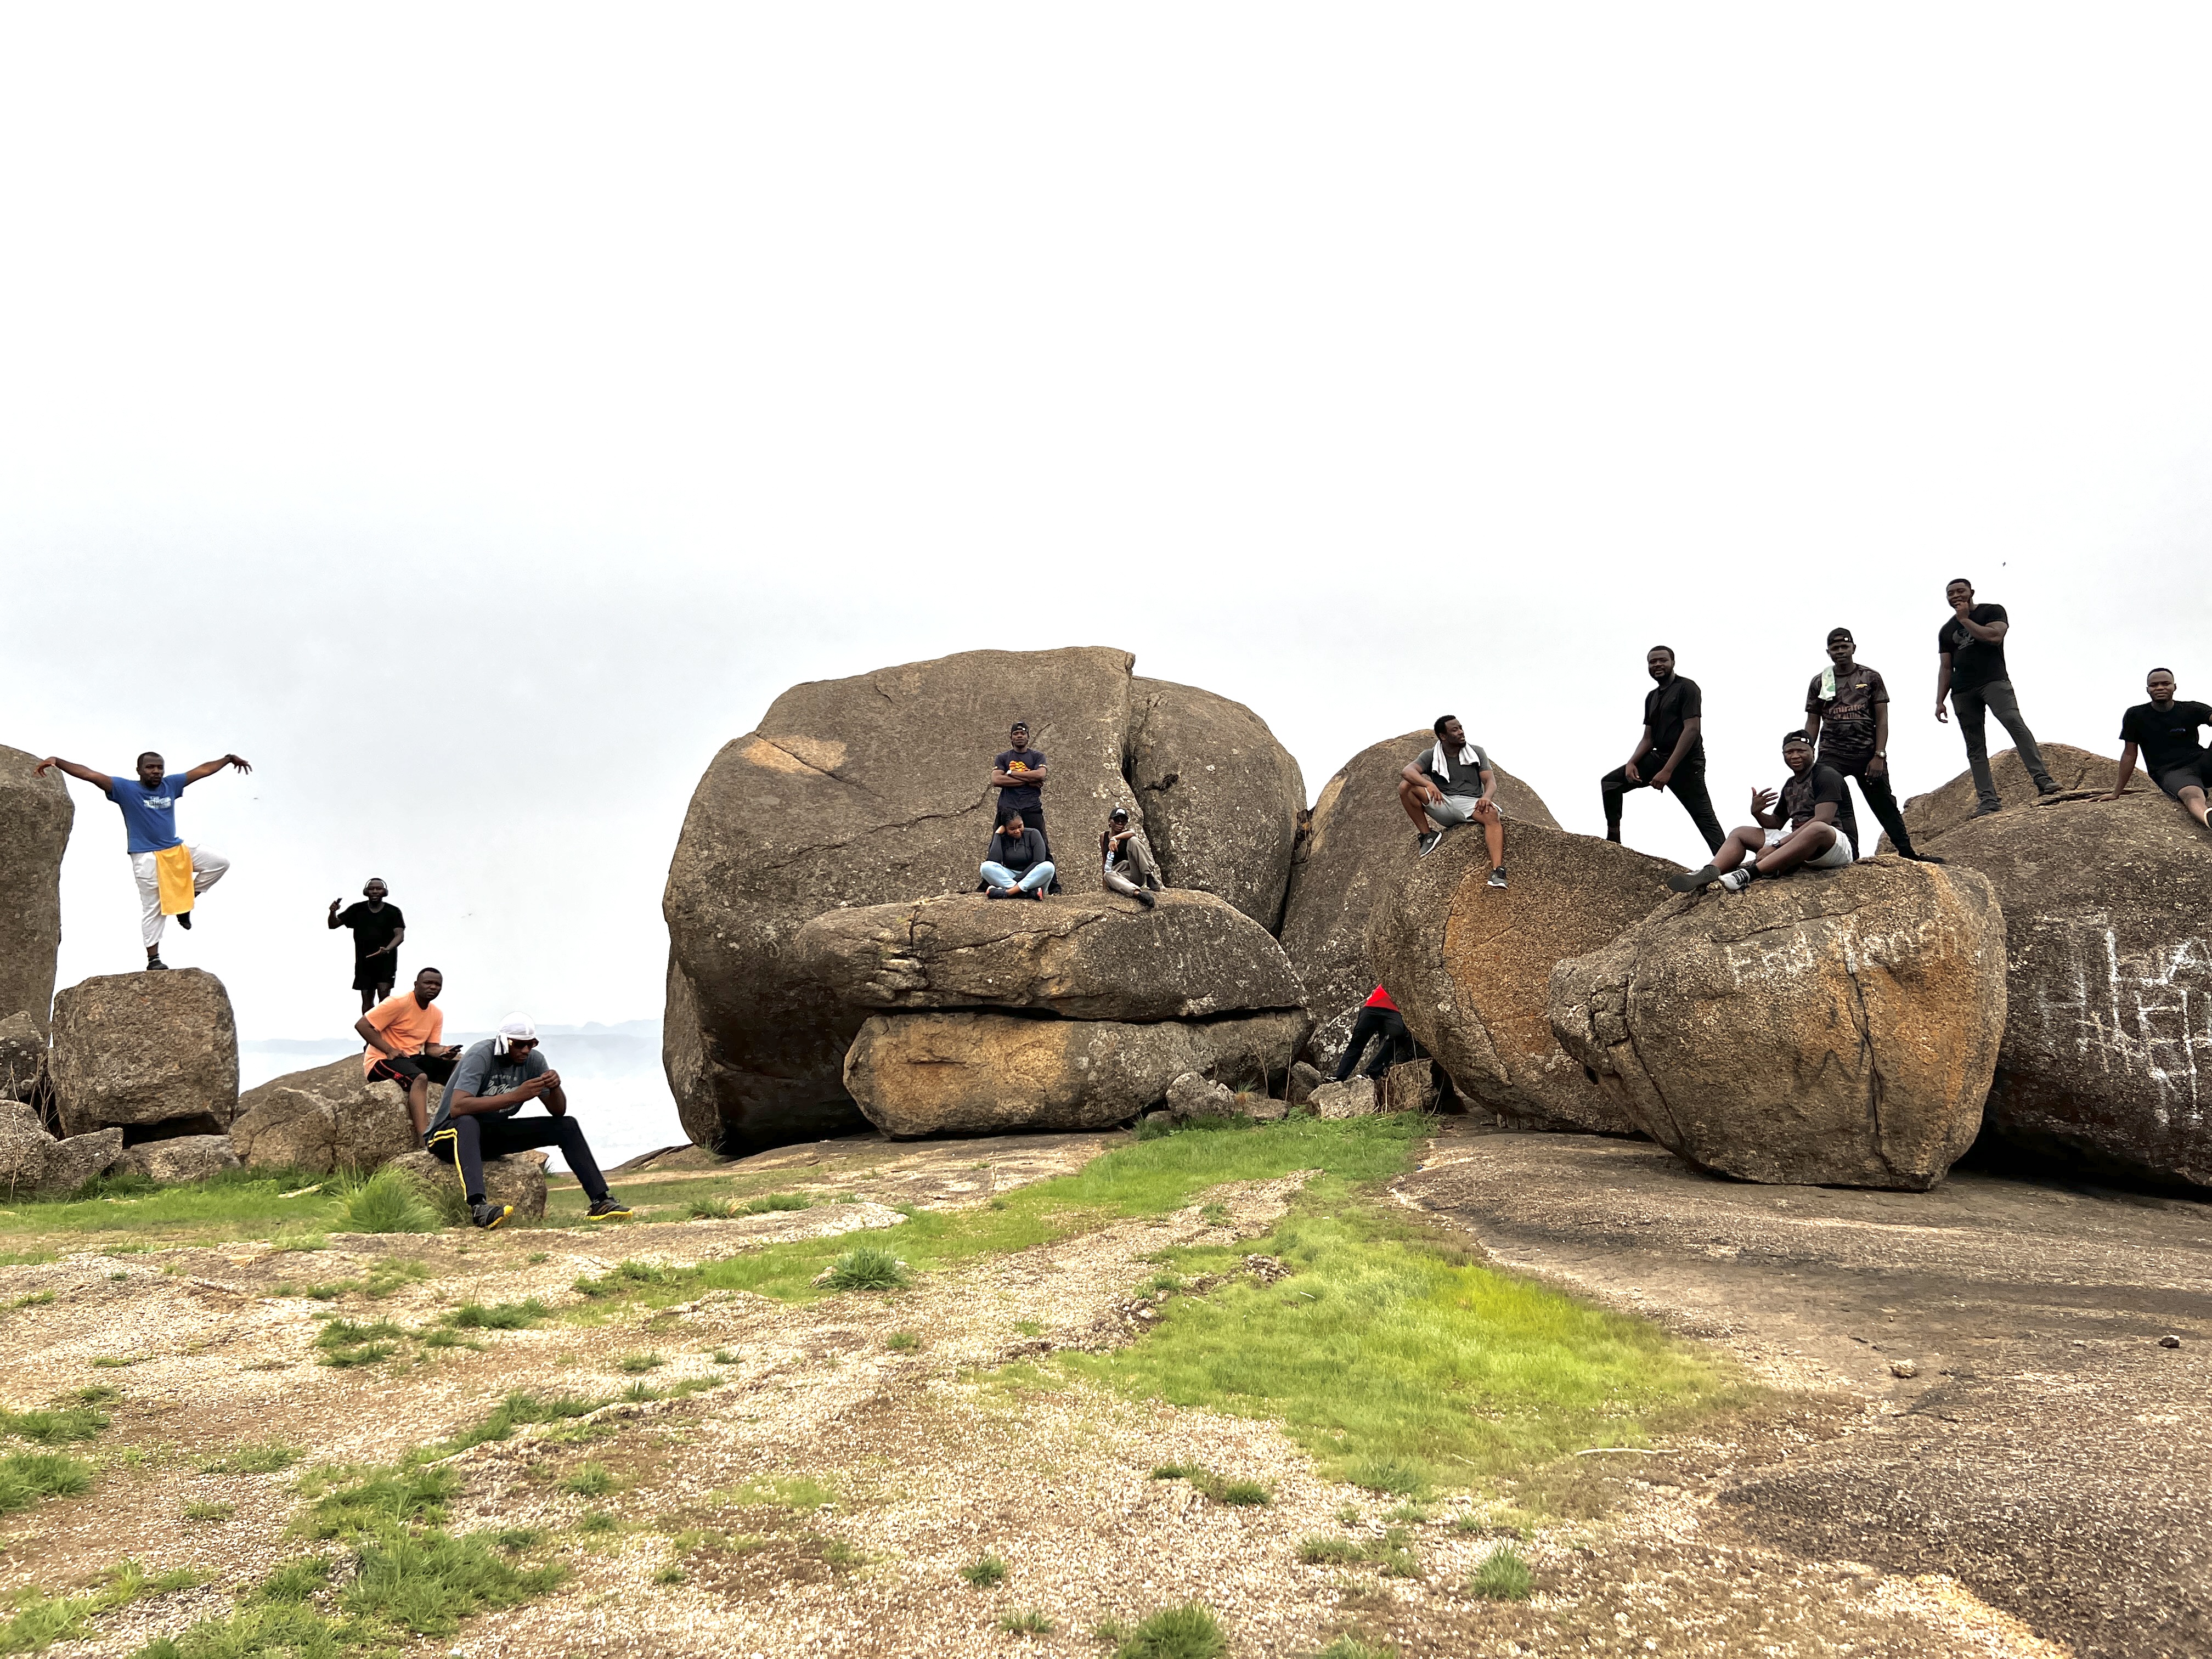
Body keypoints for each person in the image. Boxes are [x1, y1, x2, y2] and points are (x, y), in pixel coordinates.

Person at [33, 749, 252, 970]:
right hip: (147, 856)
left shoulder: (171, 784)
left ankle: (186, 902)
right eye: (150, 767)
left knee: (219, 863)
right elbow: (90, 775)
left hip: (175, 848)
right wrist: (58, 761)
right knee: (154, 908)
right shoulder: (125, 789)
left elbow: (203, 770)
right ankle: (153, 959)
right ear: (139, 770)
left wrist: (228, 759)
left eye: (160, 767)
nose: (156, 772)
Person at [424, 1014, 630, 1228]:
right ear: (504, 1042)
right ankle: (479, 1208)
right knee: (468, 1122)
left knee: (567, 1126)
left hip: (488, 1136)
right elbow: (458, 1107)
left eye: (531, 1044)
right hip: (449, 1137)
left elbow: (558, 1111)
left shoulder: (534, 1061)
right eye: (519, 1045)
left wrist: (555, 1087)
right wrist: (515, 1096)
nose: (526, 1050)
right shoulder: (481, 1055)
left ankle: (601, 1200)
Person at [1804, 628, 1941, 864]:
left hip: (1867, 753)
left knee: (1884, 803)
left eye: (1844, 647)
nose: (1840, 652)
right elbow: (1813, 720)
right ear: (1828, 653)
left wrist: (1879, 754)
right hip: (1832, 753)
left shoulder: (1870, 677)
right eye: (1835, 648)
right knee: (1836, 805)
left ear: (1854, 648)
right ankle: (1850, 857)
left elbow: (1882, 719)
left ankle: (1907, 852)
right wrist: (1808, 748)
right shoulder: (1820, 682)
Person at [1668, 731, 1858, 894]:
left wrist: (1777, 846)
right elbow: (1776, 822)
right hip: (1799, 845)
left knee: (1817, 828)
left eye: (1801, 751)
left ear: (1813, 752)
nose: (1795, 756)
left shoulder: (1826, 775)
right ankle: (1712, 870)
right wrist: (1757, 813)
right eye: (1789, 752)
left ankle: (1749, 874)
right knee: (1741, 832)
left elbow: (1823, 819)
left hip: (1836, 847)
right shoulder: (1791, 785)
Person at [1935, 577, 2059, 815]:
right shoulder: (1947, 630)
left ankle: (2043, 780)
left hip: (1993, 681)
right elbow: (1946, 667)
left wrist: (1965, 620)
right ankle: (1988, 800)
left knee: (2014, 724)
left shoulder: (1991, 611)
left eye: (1960, 591)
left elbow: (1994, 637)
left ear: (1972, 592)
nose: (1956, 596)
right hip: (1963, 691)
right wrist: (1940, 700)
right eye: (1951, 593)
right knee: (1975, 746)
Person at [1601, 648, 1725, 854]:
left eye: (1663, 660)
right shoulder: (1652, 697)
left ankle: (1727, 863)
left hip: (1687, 763)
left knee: (1704, 817)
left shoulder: (1687, 688)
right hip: (1659, 757)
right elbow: (1648, 738)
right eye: (1652, 662)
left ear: (1673, 663)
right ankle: (1613, 841)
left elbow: (1692, 730)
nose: (1657, 665)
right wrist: (1632, 762)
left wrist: (1668, 770)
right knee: (1611, 783)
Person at [1399, 716, 1507, 886]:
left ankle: (1497, 872)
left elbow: (1490, 782)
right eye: (1455, 730)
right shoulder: (1431, 755)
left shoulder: (1476, 752)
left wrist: (1486, 797)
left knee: (1492, 814)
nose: (1461, 732)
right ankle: (1428, 835)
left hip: (1470, 804)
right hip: (1443, 802)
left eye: (1461, 728)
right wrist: (1429, 784)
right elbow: (1407, 771)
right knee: (1406, 786)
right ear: (1443, 736)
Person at [356, 967, 462, 1136]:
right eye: (428, 983)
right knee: (420, 1078)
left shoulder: (436, 1014)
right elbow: (362, 1025)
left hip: (412, 1058)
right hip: (381, 1060)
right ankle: (424, 1138)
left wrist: (444, 1052)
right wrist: (389, 1050)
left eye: (437, 985)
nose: (433, 987)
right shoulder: (398, 1003)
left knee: (460, 1069)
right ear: (416, 985)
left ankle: (460, 1122)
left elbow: (431, 1048)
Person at [2107, 668, 2212, 830]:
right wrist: (2116, 793)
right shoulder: (2136, 715)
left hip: (2203, 761)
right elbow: (2129, 754)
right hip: (2171, 771)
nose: (2160, 688)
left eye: (2166, 684)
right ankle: (2208, 817)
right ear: (2148, 689)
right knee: (2191, 794)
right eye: (2154, 685)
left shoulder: (2191, 709)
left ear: (2175, 687)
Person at [990, 721, 1059, 891]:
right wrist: (1029, 780)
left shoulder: (1037, 756)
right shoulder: (1003, 758)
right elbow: (997, 780)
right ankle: (988, 882)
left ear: (1028, 737)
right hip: (1007, 808)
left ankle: (1053, 886)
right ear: (1011, 737)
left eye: (1023, 733)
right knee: (998, 842)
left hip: (1031, 807)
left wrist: (1011, 773)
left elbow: (1040, 775)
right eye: (1016, 734)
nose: (1019, 736)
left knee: (1042, 843)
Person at [329, 879, 406, 1012]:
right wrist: (332, 912)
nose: (375, 892)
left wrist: (388, 949)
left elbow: (400, 935)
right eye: (371, 889)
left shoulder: (393, 911)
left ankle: (384, 1024)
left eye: (378, 889)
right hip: (364, 961)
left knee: (384, 996)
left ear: (384, 892)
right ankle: (368, 1025)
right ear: (366, 892)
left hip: (386, 961)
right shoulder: (357, 909)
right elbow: (333, 925)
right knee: (367, 999)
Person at [1333, 985, 1414, 1082]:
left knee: (1397, 1034)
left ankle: (1371, 1073)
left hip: (1394, 1011)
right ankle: (1339, 1077)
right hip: (1372, 1006)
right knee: (1357, 1041)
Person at [980, 812, 1054, 900]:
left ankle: (1010, 892)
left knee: (1049, 867)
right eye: (1012, 829)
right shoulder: (1003, 838)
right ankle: (1027, 893)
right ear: (1005, 828)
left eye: (1020, 826)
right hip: (1012, 876)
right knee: (986, 867)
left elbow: (1039, 861)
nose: (1017, 831)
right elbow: (994, 860)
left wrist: (1018, 880)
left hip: (1032, 878)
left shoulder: (1033, 834)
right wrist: (997, 835)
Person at [1099, 806, 1161, 908]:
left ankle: (1149, 875)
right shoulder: (1103, 836)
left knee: (1134, 840)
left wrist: (1114, 838)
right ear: (1110, 821)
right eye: (1117, 820)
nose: (1120, 823)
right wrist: (1105, 886)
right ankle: (1139, 894)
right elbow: (1105, 861)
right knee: (1107, 875)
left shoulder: (1127, 833)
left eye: (1123, 821)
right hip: (1120, 876)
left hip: (1134, 873)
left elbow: (1132, 833)